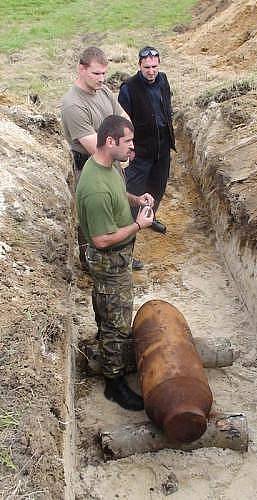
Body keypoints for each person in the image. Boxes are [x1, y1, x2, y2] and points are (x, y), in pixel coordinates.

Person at [76, 115, 154, 411]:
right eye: (128, 142)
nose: (132, 148)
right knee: (118, 324)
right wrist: (138, 226)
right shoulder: (94, 187)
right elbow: (101, 240)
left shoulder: (109, 166)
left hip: (115, 261)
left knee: (106, 307)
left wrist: (135, 200)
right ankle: (114, 382)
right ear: (110, 141)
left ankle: (103, 338)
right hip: (110, 261)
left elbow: (118, 194)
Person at [61, 46, 144, 270]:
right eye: (96, 73)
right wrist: (123, 155)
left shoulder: (103, 91)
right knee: (97, 215)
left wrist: (123, 145)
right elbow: (93, 147)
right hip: (90, 165)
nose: (102, 78)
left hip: (111, 161)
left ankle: (121, 257)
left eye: (104, 73)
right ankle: (93, 264)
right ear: (81, 69)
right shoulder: (73, 105)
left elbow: (124, 119)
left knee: (117, 206)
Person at [118, 46, 176, 232]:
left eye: (154, 67)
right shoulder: (128, 89)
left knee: (157, 186)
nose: (151, 72)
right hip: (140, 149)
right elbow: (123, 121)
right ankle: (127, 224)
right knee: (133, 187)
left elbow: (167, 108)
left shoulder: (163, 80)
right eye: (147, 68)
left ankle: (149, 217)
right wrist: (130, 148)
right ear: (139, 65)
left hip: (163, 147)